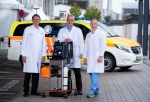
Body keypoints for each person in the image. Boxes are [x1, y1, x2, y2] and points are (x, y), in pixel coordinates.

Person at [57, 15, 84, 95]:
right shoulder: (62, 30)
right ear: (66, 20)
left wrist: (81, 53)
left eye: (71, 20)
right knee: (67, 73)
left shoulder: (78, 30)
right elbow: (58, 40)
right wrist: (65, 40)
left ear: (74, 21)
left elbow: (81, 42)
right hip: (66, 54)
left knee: (77, 72)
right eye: (68, 20)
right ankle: (68, 89)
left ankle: (79, 89)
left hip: (75, 54)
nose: (70, 21)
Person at [21, 14, 47, 97]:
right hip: (29, 55)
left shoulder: (42, 30)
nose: (36, 21)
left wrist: (43, 55)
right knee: (28, 74)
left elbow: (44, 44)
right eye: (35, 19)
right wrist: (23, 54)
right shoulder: (27, 29)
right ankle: (26, 91)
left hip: (38, 55)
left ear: (40, 20)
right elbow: (24, 43)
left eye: (38, 19)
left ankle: (34, 90)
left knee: (36, 74)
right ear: (32, 20)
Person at [83, 18, 106, 98]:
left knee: (95, 74)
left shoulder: (101, 34)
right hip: (90, 58)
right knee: (91, 74)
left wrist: (101, 56)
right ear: (90, 24)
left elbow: (103, 45)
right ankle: (97, 89)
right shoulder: (88, 35)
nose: (93, 25)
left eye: (94, 23)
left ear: (97, 25)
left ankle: (91, 91)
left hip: (97, 58)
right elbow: (86, 47)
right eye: (92, 23)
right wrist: (85, 57)